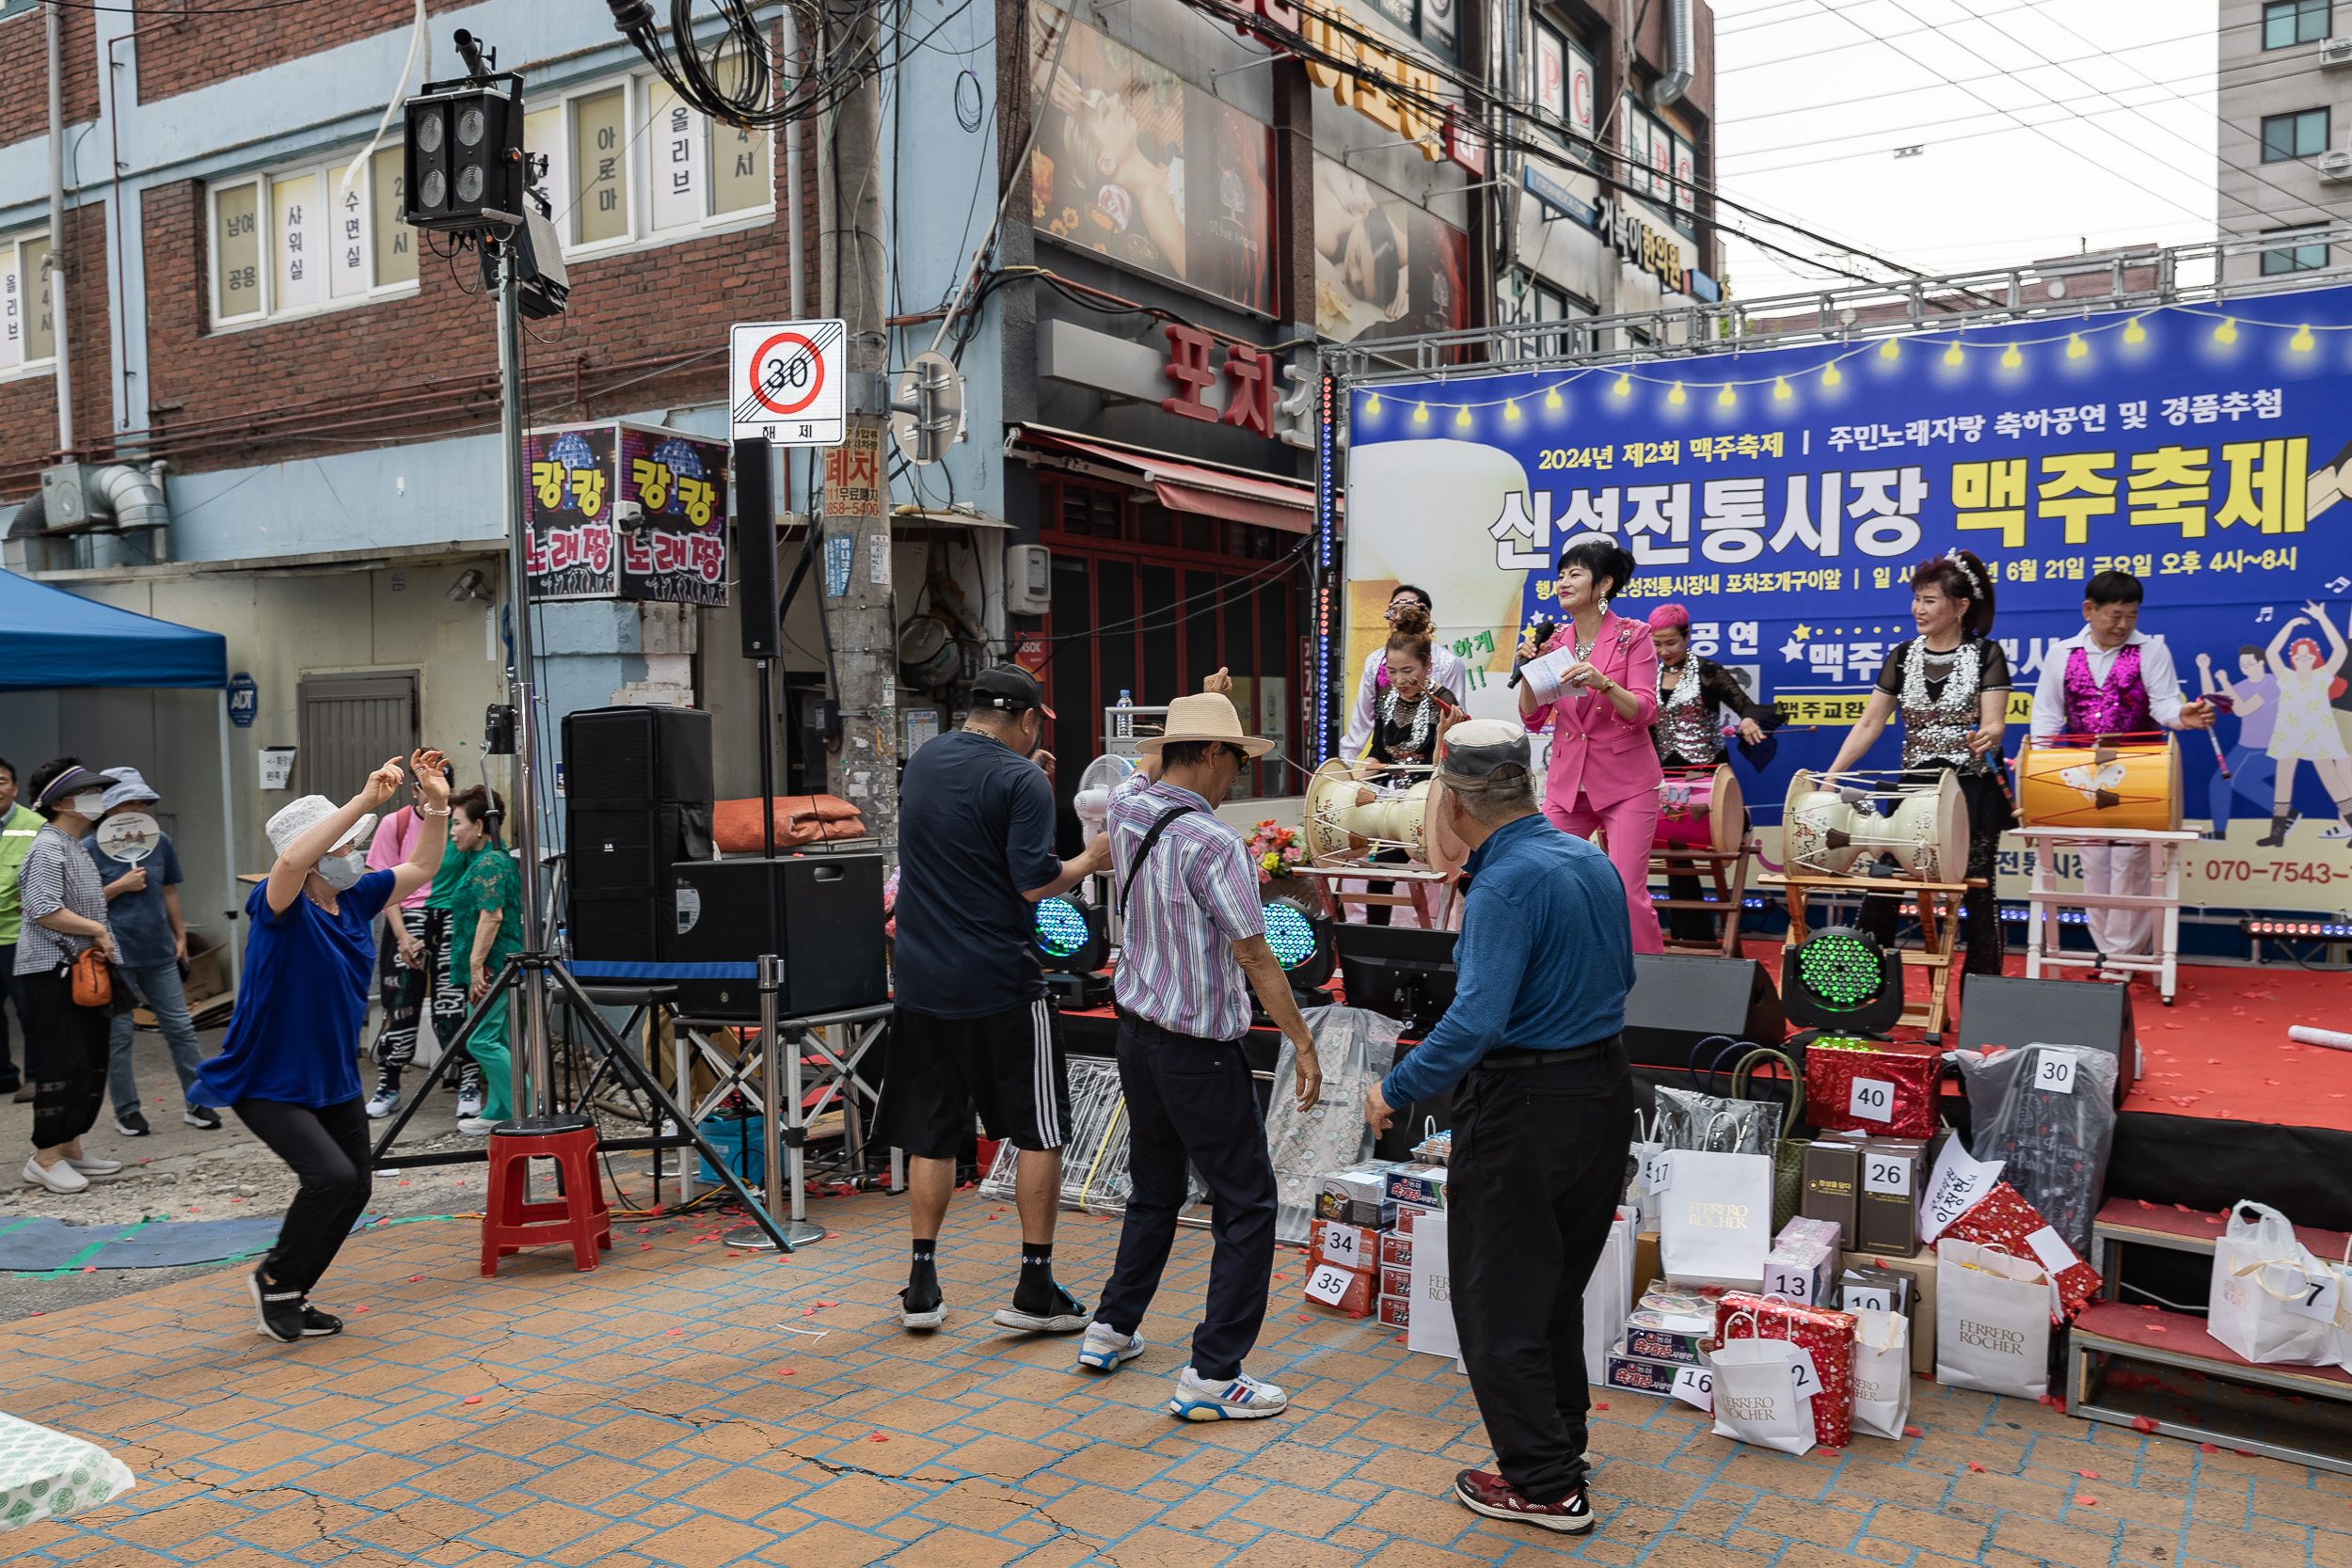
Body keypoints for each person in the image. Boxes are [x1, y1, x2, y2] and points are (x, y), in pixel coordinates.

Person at [1363, 720, 1634, 1535]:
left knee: (1498, 1306)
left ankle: (1547, 1486)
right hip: (1603, 1095)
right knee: (1550, 1291)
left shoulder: (1506, 883)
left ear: (1454, 799)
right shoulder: (1586, 856)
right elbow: (1622, 974)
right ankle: (1561, 1447)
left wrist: (1395, 1087)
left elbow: (1474, 1022)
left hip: (1525, 1109)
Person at [1074, 689, 1321, 1420]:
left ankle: (1110, 1328)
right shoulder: (1215, 844)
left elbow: (1148, 765)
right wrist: (1301, 1040)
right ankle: (1215, 1373)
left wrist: (1189, 716)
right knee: (1247, 1203)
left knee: (1154, 1187)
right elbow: (1255, 954)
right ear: (1209, 754)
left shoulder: (1127, 807)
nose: (1236, 777)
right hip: (1199, 1051)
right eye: (1234, 760)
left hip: (1137, 1039)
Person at [880, 665, 1111, 1334]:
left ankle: (921, 1284)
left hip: (921, 981)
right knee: (1039, 1126)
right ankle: (1034, 1285)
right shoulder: (1022, 781)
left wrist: (1024, 775)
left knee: (932, 1131)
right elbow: (1036, 883)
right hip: (1001, 983)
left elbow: (964, 820)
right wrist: (1091, 858)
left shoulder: (923, 760)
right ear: (1030, 720)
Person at [193, 752, 451, 1342]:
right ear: (319, 855)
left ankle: (289, 1290)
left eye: (356, 843)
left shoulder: (356, 897)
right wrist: (364, 801)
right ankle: (276, 1281)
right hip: (268, 1078)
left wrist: (433, 800)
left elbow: (424, 863)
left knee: (355, 1185)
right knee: (330, 1178)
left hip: (332, 1076)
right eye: (344, 846)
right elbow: (290, 860)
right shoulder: (278, 906)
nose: (355, 855)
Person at [1823, 549, 2011, 976]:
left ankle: (1984, 1000)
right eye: (1916, 599)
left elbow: (1995, 721)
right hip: (1913, 789)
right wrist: (1834, 774)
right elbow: (1871, 723)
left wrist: (1992, 734)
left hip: (1970, 787)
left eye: (1930, 600)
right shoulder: (1903, 656)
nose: (1918, 609)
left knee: (1977, 892)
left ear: (1961, 606)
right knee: (1884, 884)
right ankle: (1863, 994)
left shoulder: (1987, 654)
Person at [2026, 571, 2214, 961]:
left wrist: (2183, 715)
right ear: (2088, 610)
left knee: (2130, 861)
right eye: (2114, 615)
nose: (2123, 625)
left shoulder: (2151, 651)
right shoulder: (2062, 653)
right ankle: (2107, 951)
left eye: (2132, 615)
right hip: (2082, 771)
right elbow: (2046, 717)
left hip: (2138, 771)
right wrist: (2039, 768)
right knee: (2093, 861)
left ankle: (2121, 958)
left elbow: (2163, 705)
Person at [1517, 535, 1663, 953]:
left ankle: (1651, 984)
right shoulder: (1555, 642)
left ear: (1603, 585)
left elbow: (1645, 711)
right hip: (1567, 783)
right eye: (1560, 574)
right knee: (1547, 881)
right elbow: (1533, 716)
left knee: (1625, 893)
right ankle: (1565, 981)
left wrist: (1604, 683)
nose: (1563, 582)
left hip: (1626, 783)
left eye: (1575, 574)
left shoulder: (1633, 636)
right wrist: (1528, 671)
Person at [85, 768, 218, 1135]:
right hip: (112, 955)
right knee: (119, 1036)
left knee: (180, 1028)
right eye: (129, 801)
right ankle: (126, 1111)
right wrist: (119, 886)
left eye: (143, 801)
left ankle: (198, 1103)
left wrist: (180, 938)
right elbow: (80, 904)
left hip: (160, 951)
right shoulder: (88, 848)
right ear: (109, 807)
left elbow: (169, 891)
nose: (138, 807)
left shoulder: (160, 841)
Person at [13, 760, 126, 1196]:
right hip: (53, 971)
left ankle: (71, 1147)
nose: (98, 797)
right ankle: (44, 1157)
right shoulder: (48, 847)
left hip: (81, 970)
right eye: (88, 791)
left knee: (89, 1059)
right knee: (64, 1062)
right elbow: (42, 907)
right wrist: (98, 931)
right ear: (60, 802)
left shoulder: (74, 843)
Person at [1647, 604, 1780, 943]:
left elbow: (1745, 705)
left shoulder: (1708, 671)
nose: (1664, 651)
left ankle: (1741, 823)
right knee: (1675, 854)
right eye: (1657, 644)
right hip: (1665, 779)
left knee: (1706, 850)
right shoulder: (1647, 675)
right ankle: (1693, 937)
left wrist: (1748, 719)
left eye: (1671, 643)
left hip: (1705, 778)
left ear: (1687, 637)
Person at [1358, 602, 1461, 927]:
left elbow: (1444, 764)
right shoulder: (1386, 698)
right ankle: (1373, 950)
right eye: (1391, 671)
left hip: (1435, 801)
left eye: (1408, 671)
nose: (1399, 680)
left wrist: (1444, 733)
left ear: (1427, 665)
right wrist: (1364, 772)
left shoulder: (1443, 701)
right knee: (1381, 876)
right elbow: (1379, 751)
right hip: (1397, 807)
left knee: (1459, 875)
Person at [445, 787, 520, 1136]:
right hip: (496, 967)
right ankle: (498, 1110)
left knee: (481, 1041)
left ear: (478, 826)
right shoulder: (489, 859)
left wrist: (476, 965)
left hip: (493, 968)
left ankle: (532, 1103)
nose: (452, 831)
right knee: (500, 1040)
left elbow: (492, 916)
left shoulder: (490, 862)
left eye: (456, 823)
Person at [362, 798, 437, 1118]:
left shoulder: (456, 819)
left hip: (450, 919)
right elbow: (382, 880)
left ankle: (467, 1082)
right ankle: (389, 1085)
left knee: (456, 1004)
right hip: (407, 918)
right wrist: (403, 933)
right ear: (416, 788)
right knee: (400, 1003)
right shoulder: (396, 823)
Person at [2259, 599, 2352, 845]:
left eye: (2307, 655)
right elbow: (2270, 653)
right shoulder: (2285, 677)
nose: (2303, 658)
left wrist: (2322, 618)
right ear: (2292, 658)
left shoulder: (2323, 676)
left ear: (2315, 658)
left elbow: (2341, 651)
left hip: (2318, 736)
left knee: (2331, 780)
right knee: (2283, 779)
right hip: (2289, 735)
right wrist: (2289, 626)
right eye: (2298, 655)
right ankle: (2277, 834)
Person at [1341, 585, 1470, 759]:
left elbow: (1454, 721)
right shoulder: (1374, 661)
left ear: (1425, 616)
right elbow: (1362, 719)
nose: (1398, 617)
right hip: (1386, 765)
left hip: (1431, 764)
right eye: (1392, 611)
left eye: (1406, 610)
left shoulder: (1448, 663)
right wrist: (1346, 767)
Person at [2195, 644, 2280, 841]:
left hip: (2270, 748)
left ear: (2261, 663)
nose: (2246, 666)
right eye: (2242, 664)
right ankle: (2219, 832)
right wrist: (2204, 669)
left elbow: (2242, 710)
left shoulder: (2271, 683)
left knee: (2243, 780)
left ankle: (2288, 814)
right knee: (2219, 783)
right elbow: (2210, 699)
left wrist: (2224, 681)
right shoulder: (2243, 686)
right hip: (2245, 747)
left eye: (2250, 663)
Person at [0, 756, 40, 1101]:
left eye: (1, 780)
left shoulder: (36, 825)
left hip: (20, 935)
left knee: (31, 1009)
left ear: (14, 787)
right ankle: (3, 1075)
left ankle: (37, 1077)